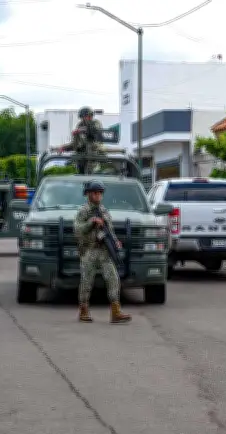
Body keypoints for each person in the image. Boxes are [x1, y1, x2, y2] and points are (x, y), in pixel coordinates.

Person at [74, 180, 131, 324]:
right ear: (88, 194)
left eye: (100, 193)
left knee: (113, 279)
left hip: (105, 251)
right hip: (90, 250)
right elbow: (77, 230)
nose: (98, 195)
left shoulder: (104, 211)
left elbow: (109, 230)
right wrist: (91, 222)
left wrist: (115, 241)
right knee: (86, 281)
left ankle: (116, 311)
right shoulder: (84, 211)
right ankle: (83, 310)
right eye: (95, 193)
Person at [72, 106, 104, 174]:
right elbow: (76, 142)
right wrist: (64, 147)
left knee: (91, 172)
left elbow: (95, 130)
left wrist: (82, 130)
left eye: (86, 116)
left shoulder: (95, 122)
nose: (84, 119)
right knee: (80, 172)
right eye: (83, 117)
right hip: (82, 153)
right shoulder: (80, 124)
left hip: (93, 152)